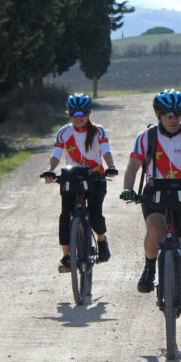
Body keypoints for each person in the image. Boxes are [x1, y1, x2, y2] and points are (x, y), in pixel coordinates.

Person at [120, 89, 181, 332]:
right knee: (154, 228)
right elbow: (132, 166)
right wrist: (128, 189)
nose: (174, 118)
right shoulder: (147, 137)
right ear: (158, 115)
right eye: (168, 114)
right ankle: (150, 268)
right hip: (155, 193)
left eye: (178, 114)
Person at [43, 93, 118, 272]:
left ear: (88, 113)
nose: (78, 118)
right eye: (74, 114)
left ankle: (101, 240)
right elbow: (56, 154)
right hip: (72, 177)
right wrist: (51, 170)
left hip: (95, 177)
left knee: (95, 213)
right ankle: (67, 257)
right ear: (69, 114)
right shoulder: (64, 132)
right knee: (65, 216)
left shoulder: (98, 131)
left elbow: (106, 150)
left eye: (82, 114)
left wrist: (111, 166)